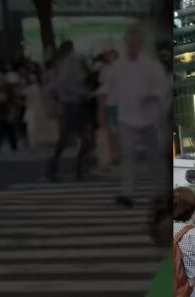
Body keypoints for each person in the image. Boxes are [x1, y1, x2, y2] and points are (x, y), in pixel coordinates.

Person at [100, 25, 167, 208]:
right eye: (129, 41)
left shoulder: (151, 64)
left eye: (135, 41)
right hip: (127, 118)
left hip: (149, 117)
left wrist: (152, 96)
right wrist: (104, 108)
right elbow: (108, 87)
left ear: (141, 43)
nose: (132, 44)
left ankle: (160, 192)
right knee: (128, 156)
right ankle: (127, 193)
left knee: (155, 157)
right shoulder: (118, 66)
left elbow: (162, 86)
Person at [45, 40, 93, 182]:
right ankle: (74, 169)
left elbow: (58, 85)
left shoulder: (65, 63)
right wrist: (82, 92)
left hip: (70, 105)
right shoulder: (71, 62)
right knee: (80, 138)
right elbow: (63, 84)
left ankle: (71, 169)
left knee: (68, 140)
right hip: (73, 104)